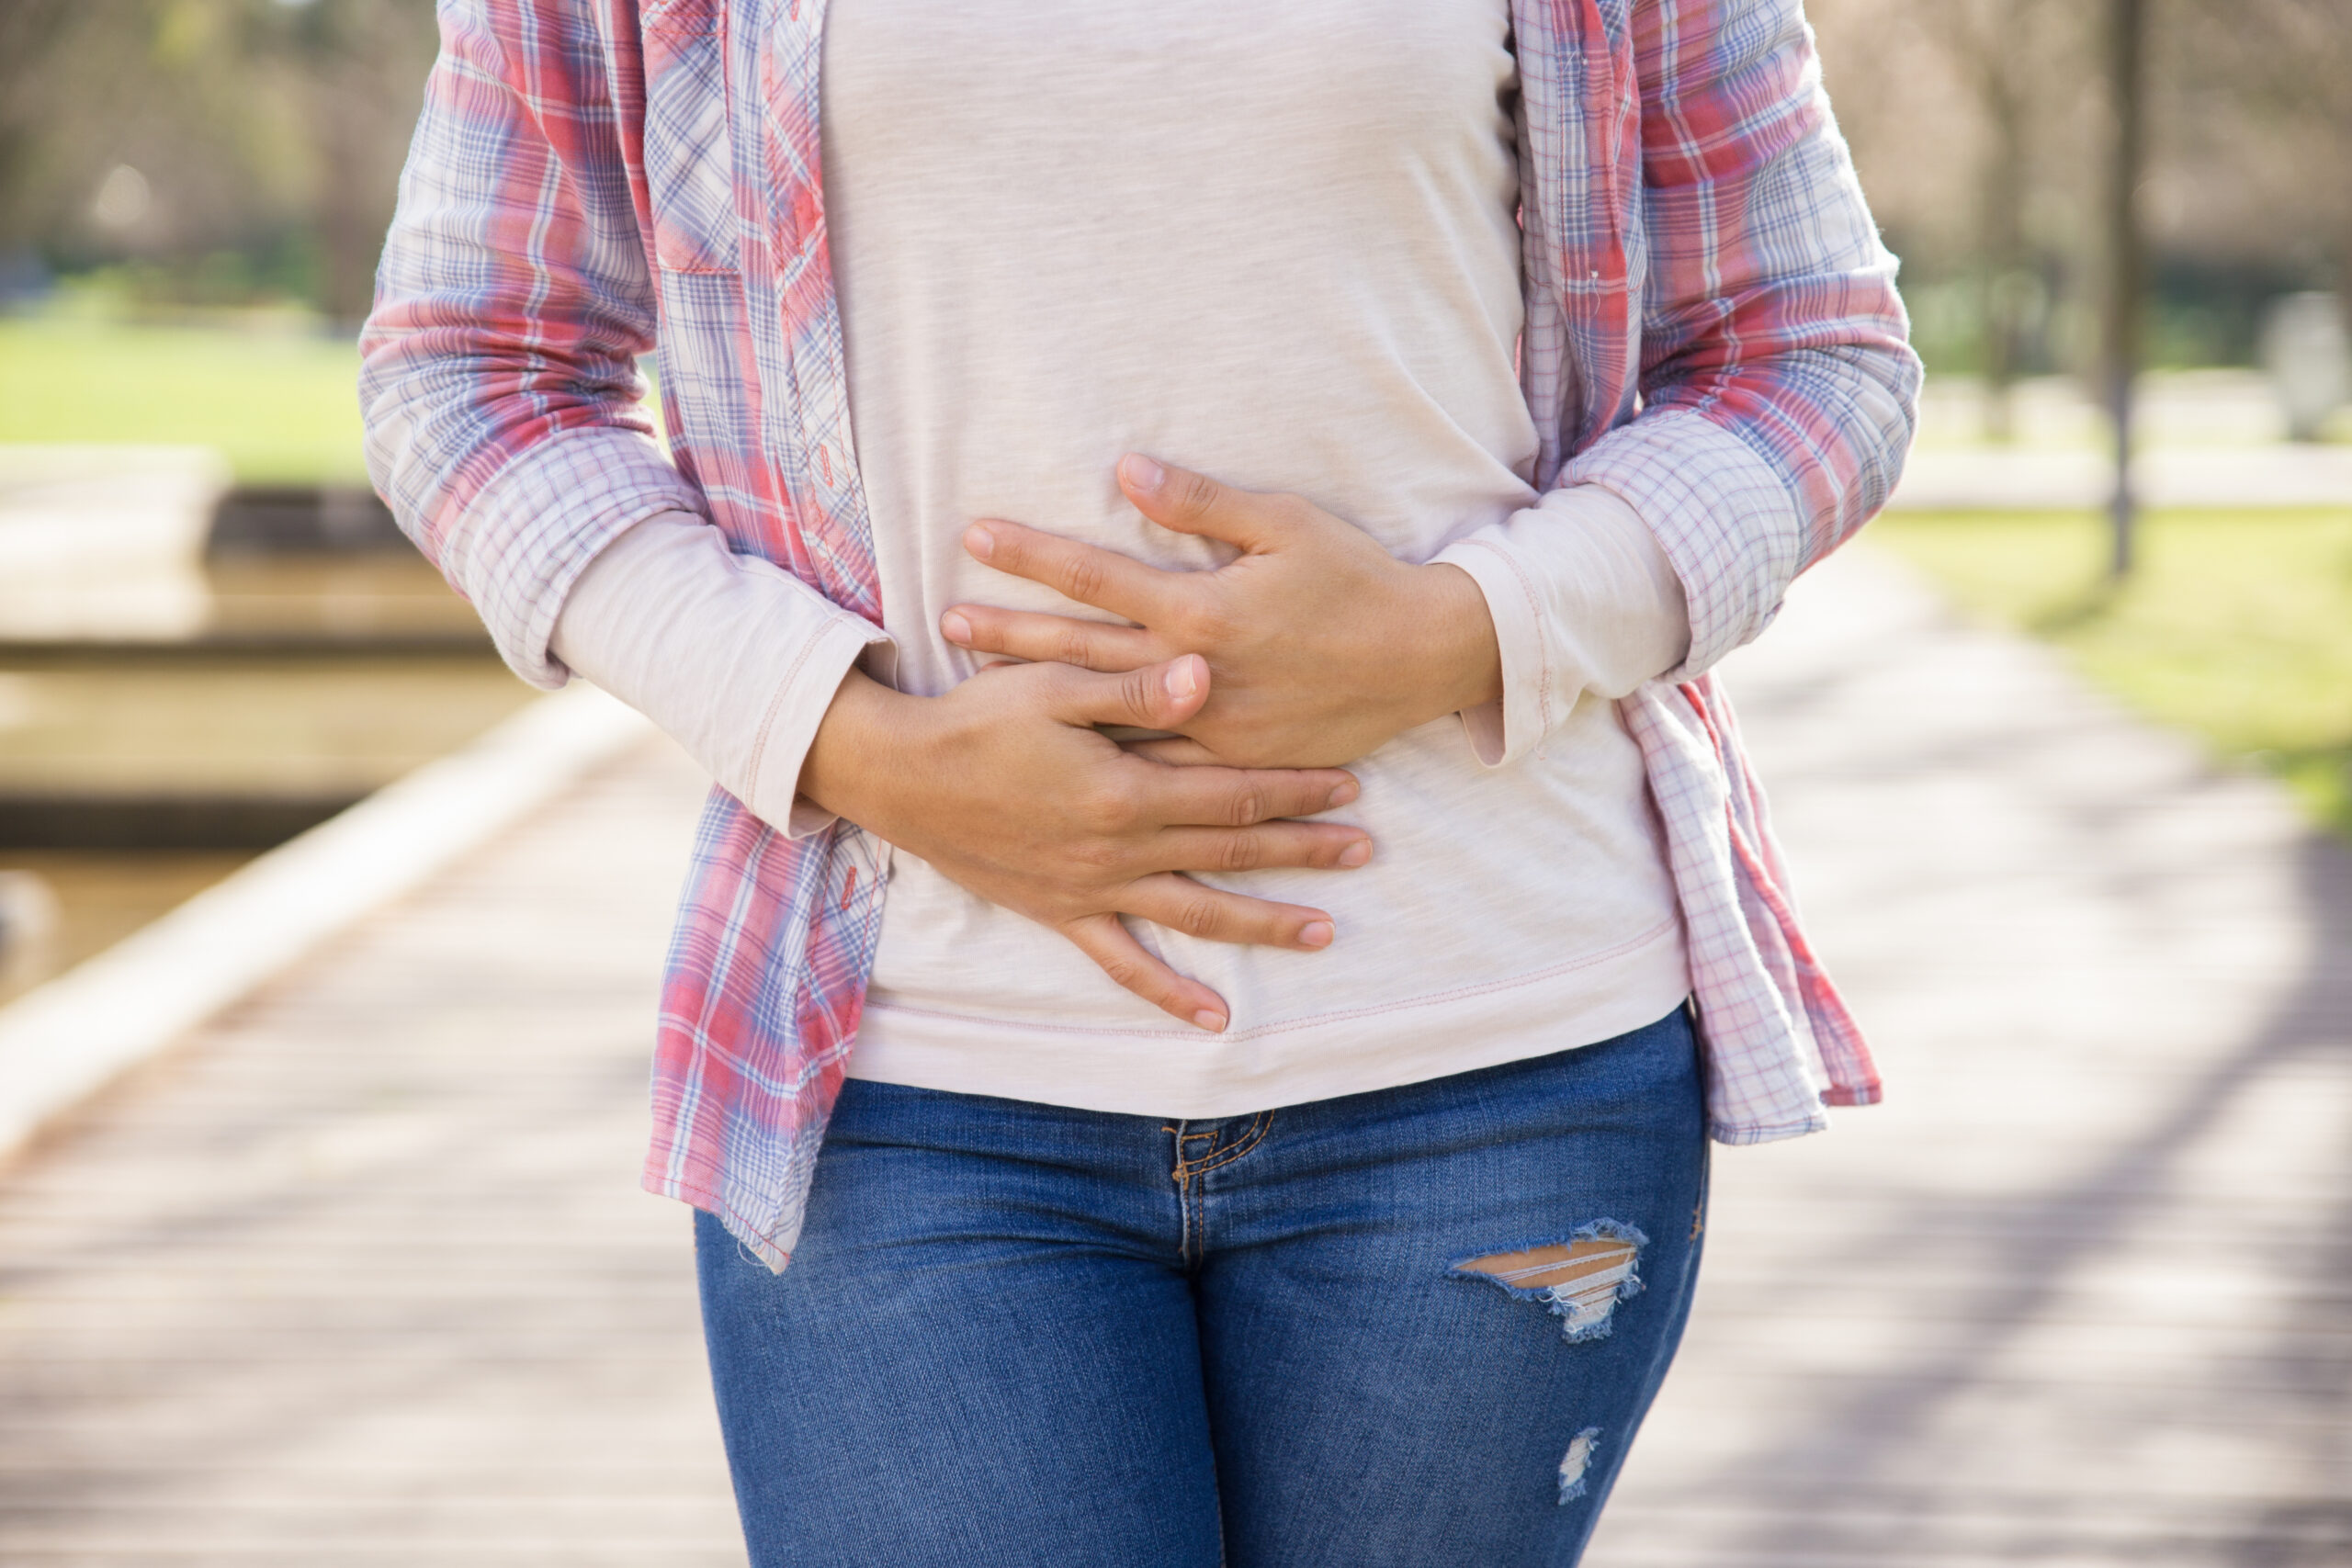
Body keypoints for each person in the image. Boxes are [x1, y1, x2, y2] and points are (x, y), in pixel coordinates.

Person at [360, 0, 1917, 1562]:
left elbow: (1809, 357)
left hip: (1494, 1072)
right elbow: (473, 380)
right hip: (909, 1077)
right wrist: (854, 743)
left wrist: (1464, 632)